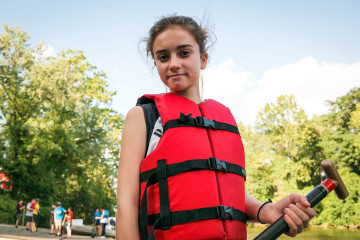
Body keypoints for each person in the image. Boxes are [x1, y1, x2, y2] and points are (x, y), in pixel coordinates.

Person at [116, 15, 316, 240]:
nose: (173, 63)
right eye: (163, 57)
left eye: (184, 53)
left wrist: (265, 210)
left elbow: (228, 191)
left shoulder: (224, 119)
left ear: (203, 59)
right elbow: (126, 202)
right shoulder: (143, 116)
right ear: (156, 63)